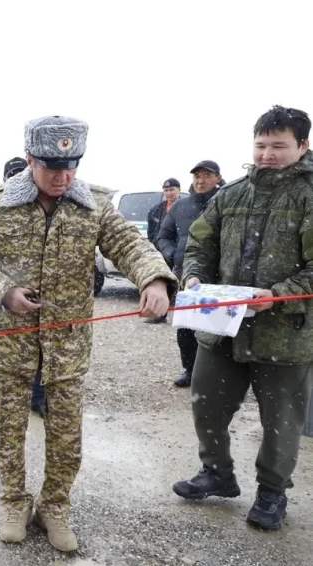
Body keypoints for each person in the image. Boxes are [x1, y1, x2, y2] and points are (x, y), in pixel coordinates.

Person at [0, 116, 175, 552]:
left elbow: (129, 245)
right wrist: (5, 291)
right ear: (29, 160)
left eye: (70, 166)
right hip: (11, 341)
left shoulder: (94, 205)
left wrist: (153, 279)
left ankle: (55, 507)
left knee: (66, 434)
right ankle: (14, 503)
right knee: (10, 430)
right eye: (51, 167)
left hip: (67, 344)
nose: (62, 177)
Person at [174, 105, 313, 531]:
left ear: (303, 146)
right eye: (261, 145)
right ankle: (217, 473)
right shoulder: (231, 194)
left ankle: (272, 492)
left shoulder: (308, 195)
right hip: (222, 330)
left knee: (281, 422)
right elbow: (200, 244)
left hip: (284, 333)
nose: (267, 154)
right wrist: (194, 276)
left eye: (278, 146)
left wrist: (279, 295)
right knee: (206, 404)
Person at [0, 156, 45, 419]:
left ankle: (38, 399)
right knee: (4, 356)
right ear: (4, 179)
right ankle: (2, 400)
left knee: (40, 352)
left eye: (22, 173)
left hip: (37, 302)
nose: (17, 178)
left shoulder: (42, 208)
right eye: (12, 174)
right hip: (5, 302)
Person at [157, 162, 225, 385]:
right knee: (187, 325)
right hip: (185, 273)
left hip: (220, 275)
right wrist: (173, 253)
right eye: (197, 176)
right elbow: (163, 236)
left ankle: (221, 373)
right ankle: (190, 369)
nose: (201, 181)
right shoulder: (181, 205)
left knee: (218, 324)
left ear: (218, 178)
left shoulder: (227, 201)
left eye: (207, 176)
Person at [144, 178, 182, 324]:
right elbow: (151, 233)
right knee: (162, 283)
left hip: (180, 252)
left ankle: (185, 319)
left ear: (179, 190)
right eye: (166, 190)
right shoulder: (156, 210)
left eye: (172, 189)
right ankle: (160, 314)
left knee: (182, 285)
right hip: (161, 252)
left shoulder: (186, 206)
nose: (169, 193)